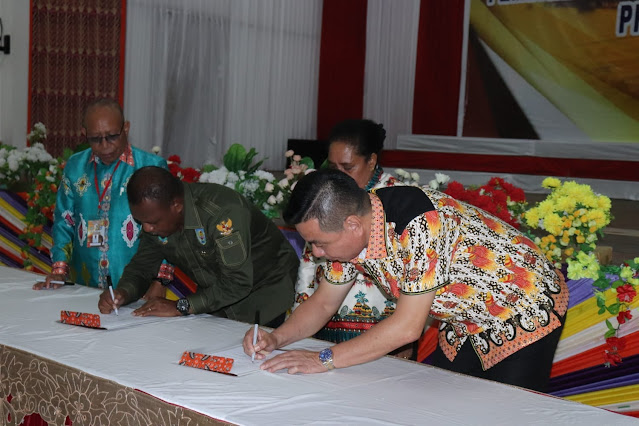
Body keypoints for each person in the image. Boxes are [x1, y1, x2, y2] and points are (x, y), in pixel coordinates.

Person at [244, 169, 569, 392]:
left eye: (319, 243)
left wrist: (323, 359)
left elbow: (407, 327)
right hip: (465, 319)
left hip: (525, 307)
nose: (315, 252)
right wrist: (277, 338)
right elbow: (324, 301)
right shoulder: (350, 232)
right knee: (441, 407)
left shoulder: (420, 226)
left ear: (353, 225)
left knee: (507, 412)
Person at [98, 166, 299, 326]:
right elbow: (143, 266)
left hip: (266, 298)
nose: (147, 229)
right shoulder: (157, 219)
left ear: (176, 205)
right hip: (217, 302)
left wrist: (181, 306)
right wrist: (123, 292)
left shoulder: (222, 214)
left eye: (152, 222)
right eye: (141, 222)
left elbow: (237, 282)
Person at [33, 98, 167, 290]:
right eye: (95, 139)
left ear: (126, 129)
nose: (105, 146)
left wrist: (159, 283)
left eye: (112, 136)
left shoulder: (151, 167)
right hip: (84, 285)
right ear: (84, 134)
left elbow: (167, 230)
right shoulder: (76, 166)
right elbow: (64, 221)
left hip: (137, 288)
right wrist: (59, 270)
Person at [293, 119, 403, 344]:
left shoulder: (396, 198)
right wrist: (298, 317)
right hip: (326, 316)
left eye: (348, 167)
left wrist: (403, 340)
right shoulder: (327, 194)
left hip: (383, 329)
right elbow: (310, 260)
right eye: (334, 168)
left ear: (371, 160)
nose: (340, 175)